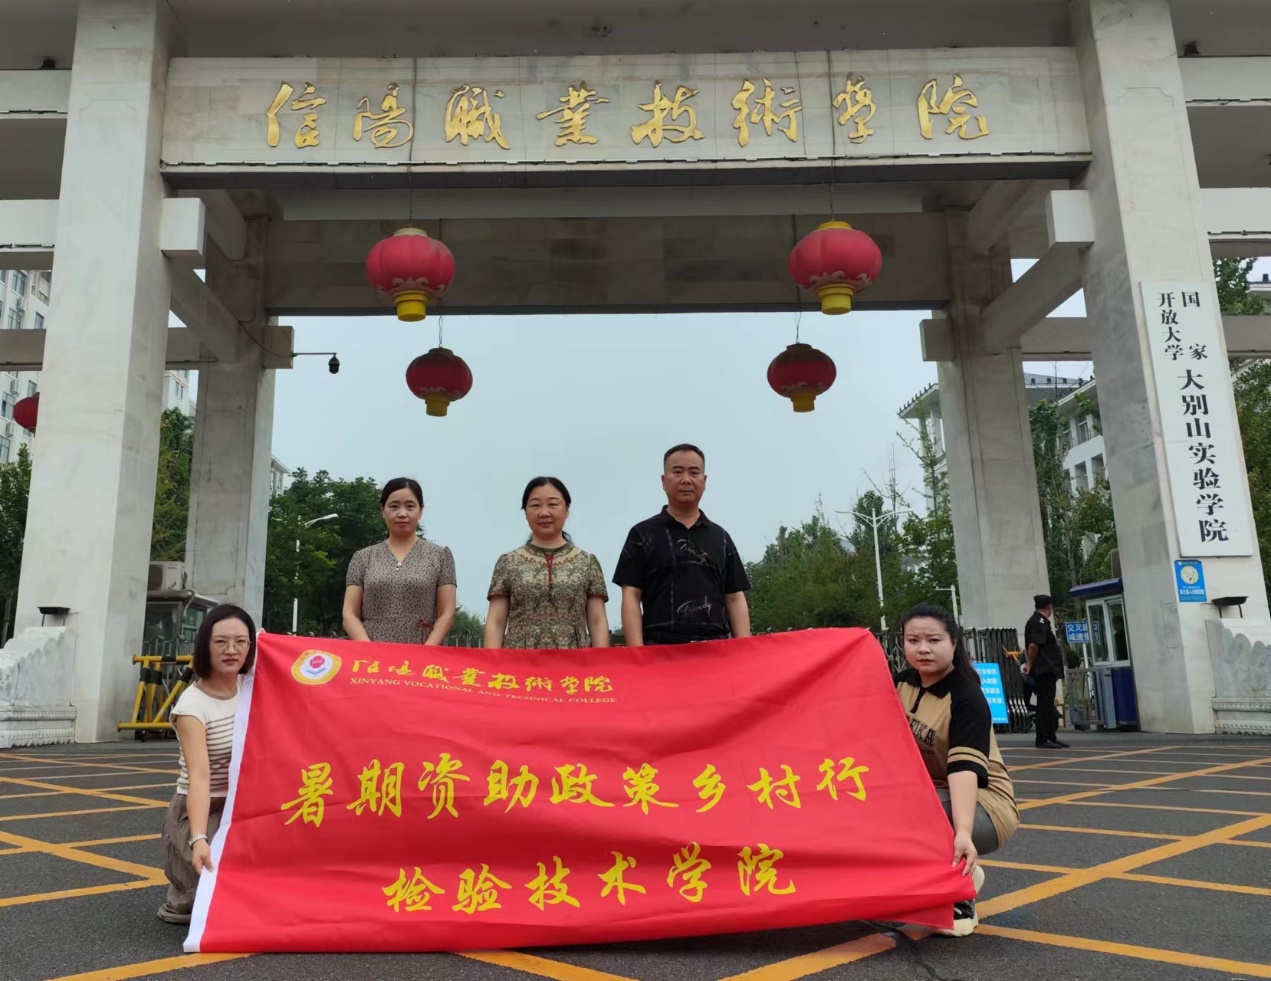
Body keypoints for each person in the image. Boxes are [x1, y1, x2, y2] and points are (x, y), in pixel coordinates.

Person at [895, 602, 1019, 938]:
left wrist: (963, 832)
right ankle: (940, 882)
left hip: (983, 805)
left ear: (953, 643)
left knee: (906, 816)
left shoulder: (967, 698)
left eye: (934, 640)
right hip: (931, 796)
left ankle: (960, 893)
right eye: (913, 640)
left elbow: (964, 770)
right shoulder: (901, 685)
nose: (923, 649)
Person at [158, 603, 256, 925]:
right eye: (221, 642)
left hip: (244, 805)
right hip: (204, 808)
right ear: (205, 645)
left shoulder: (251, 685)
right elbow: (199, 776)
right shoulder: (192, 705)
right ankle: (181, 895)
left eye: (241, 641)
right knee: (208, 903)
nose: (232, 650)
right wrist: (198, 838)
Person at [613, 443, 751, 646]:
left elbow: (735, 598)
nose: (686, 479)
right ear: (663, 481)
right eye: (677, 472)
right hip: (660, 650)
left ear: (704, 481)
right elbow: (631, 595)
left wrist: (744, 650)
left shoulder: (721, 537)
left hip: (716, 650)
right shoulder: (642, 534)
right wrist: (637, 652)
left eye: (694, 472)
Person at [484, 477, 610, 649]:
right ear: (525, 512)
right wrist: (492, 662)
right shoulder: (507, 563)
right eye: (535, 505)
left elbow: (597, 622)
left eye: (553, 504)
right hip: (519, 662)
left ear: (567, 510)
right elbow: (496, 622)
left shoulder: (587, 562)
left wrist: (601, 661)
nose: (544, 513)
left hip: (574, 662)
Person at [343, 477, 457, 644]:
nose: (402, 514)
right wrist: (370, 650)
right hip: (370, 652)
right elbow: (349, 614)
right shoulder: (362, 558)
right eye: (394, 506)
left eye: (410, 506)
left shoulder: (440, 556)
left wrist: (426, 651)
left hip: (422, 651)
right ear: (382, 511)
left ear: (420, 510)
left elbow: (447, 613)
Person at [1022, 593, 1068, 749]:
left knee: (1048, 704)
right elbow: (1033, 645)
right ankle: (1043, 738)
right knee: (1044, 704)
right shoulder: (1039, 622)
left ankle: (1050, 736)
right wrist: (1029, 664)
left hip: (1047, 669)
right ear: (1049, 607)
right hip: (1044, 669)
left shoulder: (1038, 621)